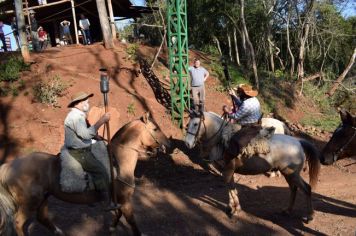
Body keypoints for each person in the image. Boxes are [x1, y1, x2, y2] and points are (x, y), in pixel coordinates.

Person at [64, 91, 119, 211]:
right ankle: (104, 202)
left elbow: (84, 132)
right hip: (79, 152)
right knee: (101, 170)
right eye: (86, 101)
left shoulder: (79, 116)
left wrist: (95, 136)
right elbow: (84, 134)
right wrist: (102, 121)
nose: (88, 103)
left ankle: (92, 189)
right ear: (78, 103)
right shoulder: (75, 117)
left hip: (84, 147)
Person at [222, 84, 262, 164]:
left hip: (249, 127)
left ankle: (232, 161)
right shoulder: (254, 99)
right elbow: (241, 104)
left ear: (244, 94)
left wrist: (227, 112)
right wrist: (233, 96)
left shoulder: (246, 104)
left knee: (234, 140)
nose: (238, 94)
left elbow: (236, 117)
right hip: (256, 123)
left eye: (239, 93)